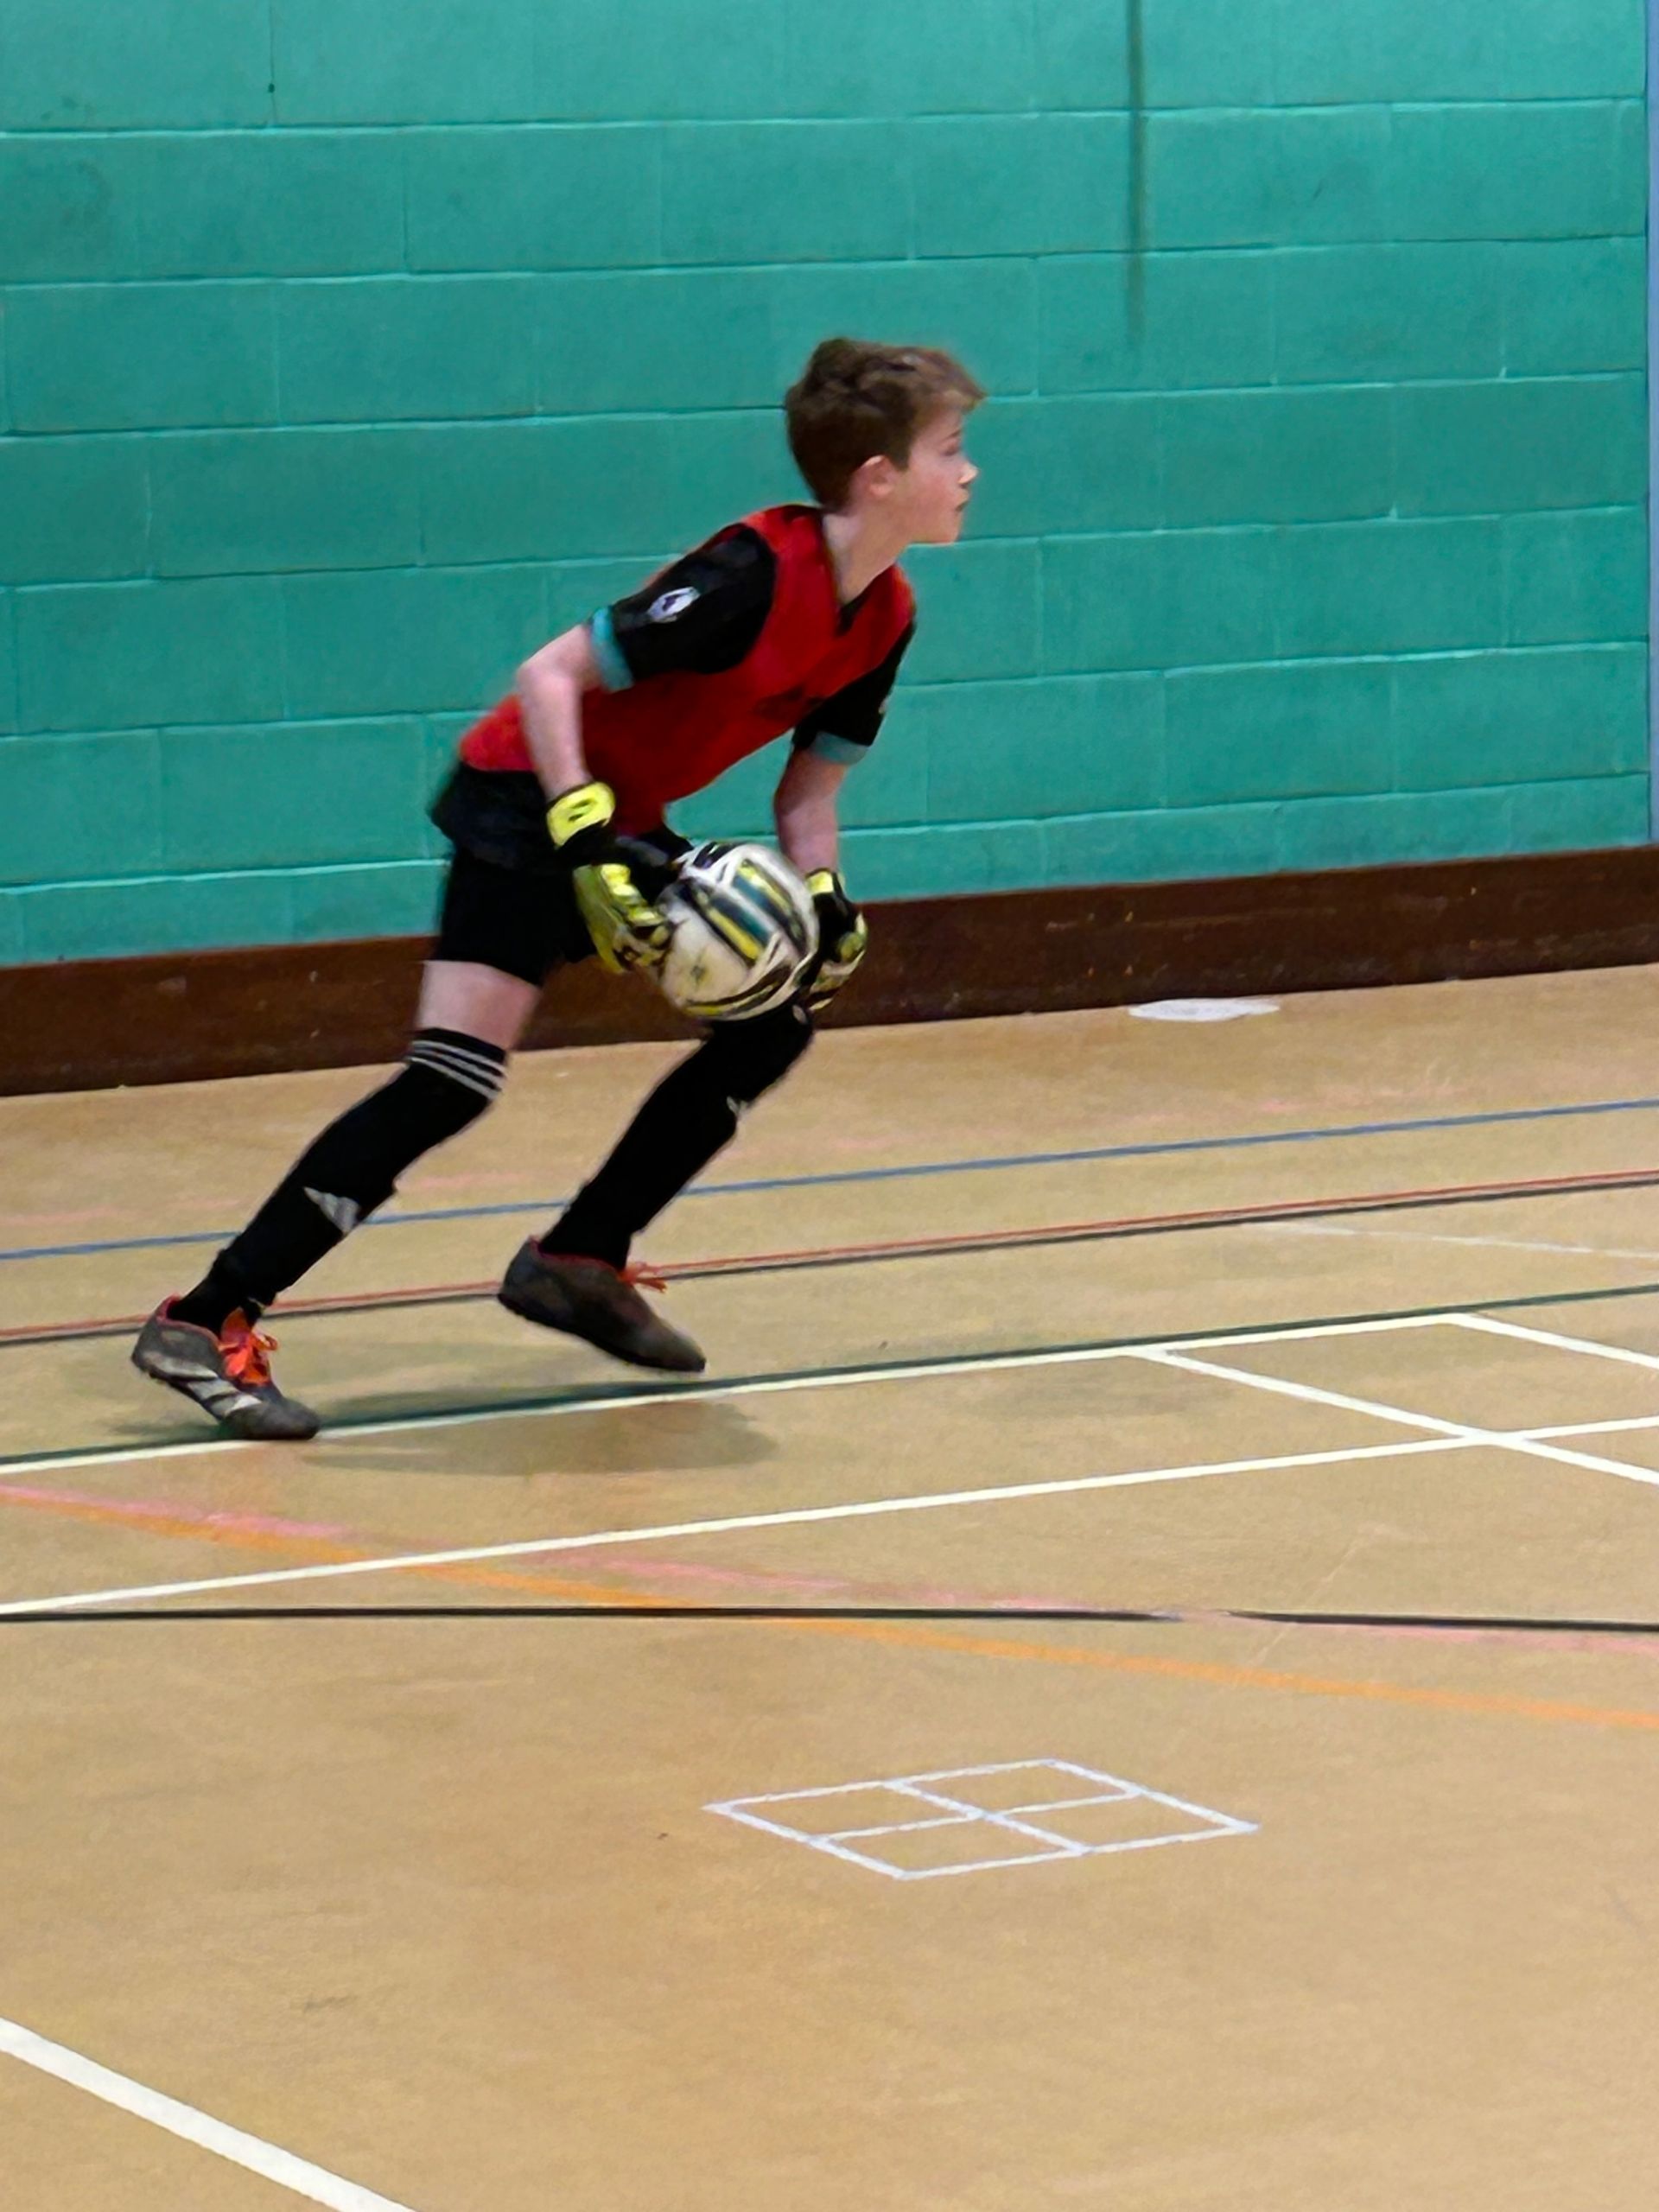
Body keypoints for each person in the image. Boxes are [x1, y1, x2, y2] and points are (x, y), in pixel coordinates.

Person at [131, 337, 984, 1440]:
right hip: (529, 797)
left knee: (776, 1021)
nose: (968, 474)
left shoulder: (887, 614)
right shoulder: (751, 574)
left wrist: (826, 900)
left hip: (621, 821)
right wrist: (583, 839)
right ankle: (205, 1321)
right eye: (951, 450)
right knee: (450, 1081)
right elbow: (550, 677)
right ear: (879, 477)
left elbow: (807, 796)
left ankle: (582, 1257)